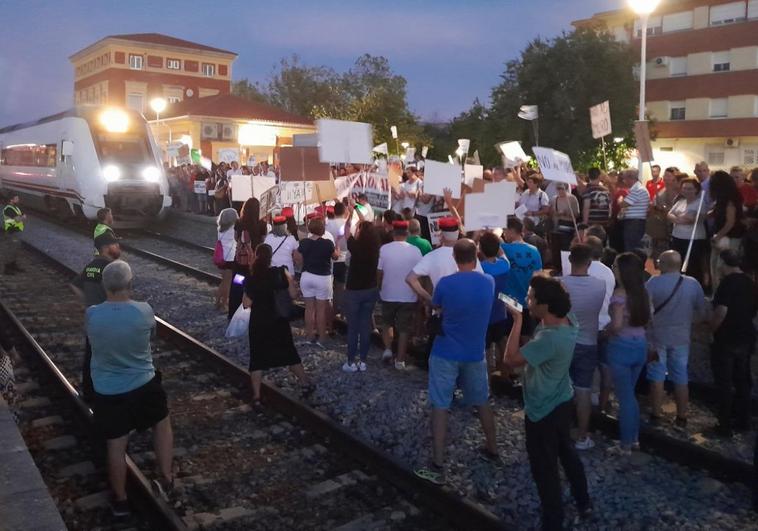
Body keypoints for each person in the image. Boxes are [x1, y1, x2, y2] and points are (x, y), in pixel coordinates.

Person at [85, 261, 173, 517]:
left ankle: (121, 500)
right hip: (143, 383)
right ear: (130, 284)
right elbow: (152, 336)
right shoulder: (144, 311)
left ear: (104, 286)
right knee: (162, 421)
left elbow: (91, 339)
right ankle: (166, 478)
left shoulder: (92, 313)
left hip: (108, 390)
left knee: (116, 444)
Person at [503, 275, 591, 530]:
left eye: (531, 297)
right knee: (567, 453)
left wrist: (517, 319)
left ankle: (553, 520)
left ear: (545, 305)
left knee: (545, 468)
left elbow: (510, 360)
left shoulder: (549, 339)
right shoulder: (568, 321)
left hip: (542, 409)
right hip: (562, 398)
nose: (527, 301)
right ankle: (583, 501)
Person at [414, 239, 499, 485]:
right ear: (476, 256)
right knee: (482, 401)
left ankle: (438, 461)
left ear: (454, 257)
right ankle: (493, 448)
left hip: (446, 351)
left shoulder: (445, 284)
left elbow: (437, 304)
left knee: (441, 405)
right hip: (475, 352)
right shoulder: (488, 282)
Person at [242, 244, 312, 406]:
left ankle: (257, 396)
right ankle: (305, 381)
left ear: (256, 256)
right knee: (288, 353)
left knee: (257, 359)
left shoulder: (251, 278)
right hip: (279, 321)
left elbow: (246, 304)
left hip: (259, 323)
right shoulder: (280, 272)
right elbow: (293, 294)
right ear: (270, 257)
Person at [645, 250, 705, 427]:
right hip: (681, 338)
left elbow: (645, 311)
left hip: (657, 338)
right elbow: (702, 313)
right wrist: (686, 322)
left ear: (663, 264)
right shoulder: (693, 284)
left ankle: (656, 414)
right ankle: (682, 416)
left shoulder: (653, 283)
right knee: (680, 376)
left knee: (656, 375)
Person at [560, 244, 606, 450]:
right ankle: (582, 435)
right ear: (589, 262)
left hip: (564, 341)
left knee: (560, 387)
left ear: (570, 260)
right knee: (584, 389)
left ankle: (560, 429)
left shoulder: (561, 284)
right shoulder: (600, 284)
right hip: (588, 341)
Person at [606, 252, 651, 455]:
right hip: (640, 345)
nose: (614, 269)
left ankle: (625, 444)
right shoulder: (643, 292)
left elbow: (615, 325)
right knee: (630, 396)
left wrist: (606, 332)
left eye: (615, 266)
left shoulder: (619, 295)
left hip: (621, 347)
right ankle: (634, 439)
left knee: (625, 399)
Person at [709, 250, 756, 436]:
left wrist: (711, 330)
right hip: (746, 335)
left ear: (722, 263)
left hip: (727, 338)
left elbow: (721, 312)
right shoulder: (750, 283)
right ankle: (744, 419)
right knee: (743, 380)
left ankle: (725, 424)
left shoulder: (727, 284)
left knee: (724, 382)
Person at [70, 233, 122, 399]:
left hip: (94, 319)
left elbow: (74, 284)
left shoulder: (91, 266)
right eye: (115, 244)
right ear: (106, 248)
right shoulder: (112, 268)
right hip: (109, 320)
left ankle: (89, 392)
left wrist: (86, 301)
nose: (118, 247)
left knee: (91, 355)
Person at [377, 220, 422, 369]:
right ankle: (400, 360)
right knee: (404, 329)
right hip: (408, 294)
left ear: (393, 232)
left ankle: (388, 349)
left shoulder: (384, 249)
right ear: (407, 233)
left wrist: (378, 287)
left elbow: (379, 272)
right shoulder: (415, 250)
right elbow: (420, 273)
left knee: (386, 322)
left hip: (388, 292)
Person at [342, 209, 381, 371]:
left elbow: (346, 231)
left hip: (353, 291)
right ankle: (363, 361)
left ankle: (350, 361)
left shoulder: (355, 246)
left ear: (360, 232)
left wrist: (350, 215)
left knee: (353, 327)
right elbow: (367, 227)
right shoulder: (375, 248)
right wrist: (359, 213)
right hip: (370, 290)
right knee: (365, 326)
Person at [296, 217, 338, 347]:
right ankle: (322, 337)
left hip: (307, 275)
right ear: (322, 230)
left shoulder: (304, 242)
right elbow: (335, 256)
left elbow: (296, 257)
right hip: (322, 277)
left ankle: (309, 335)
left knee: (309, 308)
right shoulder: (327, 243)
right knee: (320, 309)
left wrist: (304, 264)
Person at [500, 217, 543, 338]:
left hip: (508, 301)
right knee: (526, 337)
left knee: (507, 338)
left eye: (505, 230)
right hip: (528, 301)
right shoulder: (534, 250)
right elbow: (538, 275)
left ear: (511, 231)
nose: (503, 233)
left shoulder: (504, 249)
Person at [229, 199, 268, 319]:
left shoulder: (239, 222)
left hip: (240, 263)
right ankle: (252, 313)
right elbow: (263, 241)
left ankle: (234, 312)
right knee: (253, 287)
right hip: (254, 262)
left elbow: (236, 238)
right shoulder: (262, 224)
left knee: (237, 286)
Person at [478, 231, 511, 373]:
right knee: (501, 342)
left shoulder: (480, 269)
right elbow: (502, 253)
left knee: (485, 349)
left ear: (481, 249)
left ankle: (488, 383)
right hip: (500, 310)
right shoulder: (505, 265)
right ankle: (506, 374)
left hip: (484, 314)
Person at [708, 170, 745, 291]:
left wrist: (717, 236)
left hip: (729, 238)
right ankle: (717, 294)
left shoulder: (730, 200)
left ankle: (723, 297)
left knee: (722, 269)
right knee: (715, 267)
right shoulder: (722, 199)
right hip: (722, 237)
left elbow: (730, 222)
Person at [649, 167, 681, 261]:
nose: (666, 178)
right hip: (662, 229)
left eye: (669, 176)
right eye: (665, 175)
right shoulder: (660, 193)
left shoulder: (681, 193)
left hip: (675, 228)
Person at [549, 183, 579, 273]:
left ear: (566, 188)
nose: (560, 190)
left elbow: (577, 214)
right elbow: (551, 212)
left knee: (566, 248)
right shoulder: (554, 199)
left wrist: (566, 213)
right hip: (556, 227)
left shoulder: (572, 198)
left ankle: (566, 268)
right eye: (558, 188)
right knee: (555, 249)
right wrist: (555, 213)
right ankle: (557, 268)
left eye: (561, 188)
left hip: (567, 227)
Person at [618, 169, 649, 252]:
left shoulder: (638, 190)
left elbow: (623, 204)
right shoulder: (636, 189)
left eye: (624, 179)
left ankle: (632, 264)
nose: (624, 181)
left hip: (634, 223)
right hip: (634, 222)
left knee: (631, 247)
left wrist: (620, 199)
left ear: (630, 178)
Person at [215, 208, 238, 311]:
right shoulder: (233, 230)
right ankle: (224, 303)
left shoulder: (220, 229)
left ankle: (217, 301)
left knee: (223, 281)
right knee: (228, 283)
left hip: (222, 259)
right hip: (230, 259)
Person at [2, 193, 26, 275]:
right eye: (16, 198)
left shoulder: (15, 207)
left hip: (16, 231)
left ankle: (13, 265)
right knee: (11, 250)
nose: (18, 199)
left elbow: (21, 216)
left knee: (15, 249)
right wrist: (22, 217)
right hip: (12, 232)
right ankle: (7, 268)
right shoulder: (9, 209)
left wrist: (21, 217)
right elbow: (18, 219)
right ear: (11, 200)